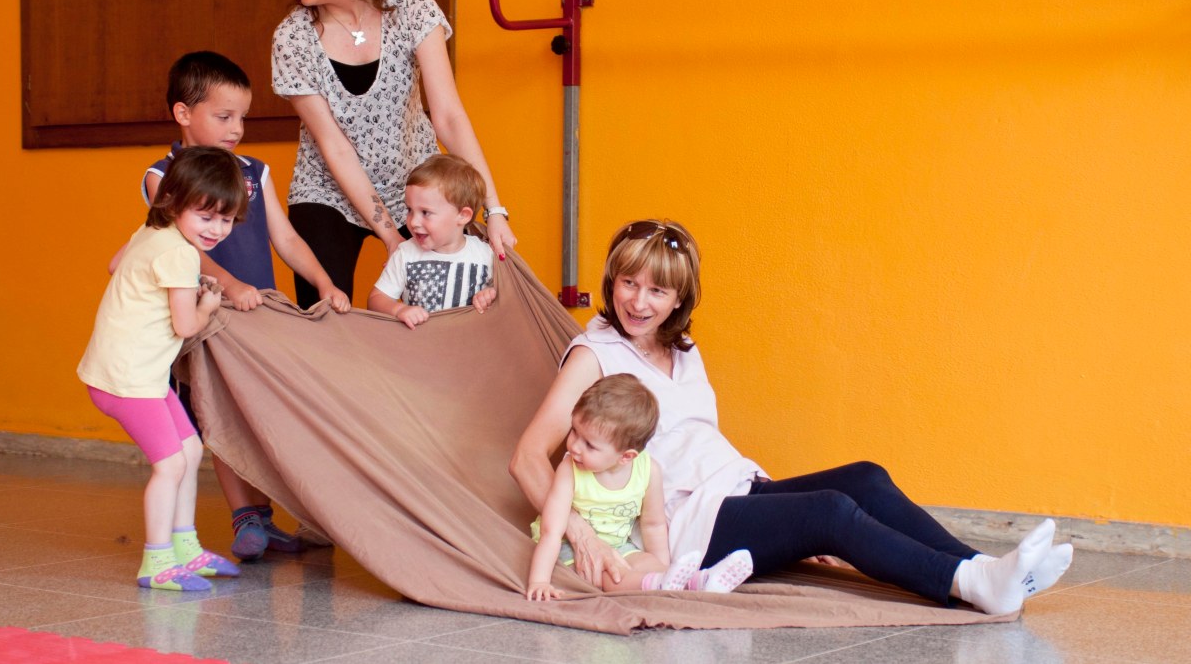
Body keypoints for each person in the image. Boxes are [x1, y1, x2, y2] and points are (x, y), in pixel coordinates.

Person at [511, 220, 1075, 614]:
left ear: (679, 299)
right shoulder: (595, 354)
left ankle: (993, 569)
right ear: (611, 280)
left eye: (657, 290)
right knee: (830, 512)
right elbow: (528, 457)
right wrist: (582, 535)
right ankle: (971, 584)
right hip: (687, 524)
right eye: (628, 283)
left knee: (865, 478)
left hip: (738, 490)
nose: (638, 301)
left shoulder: (683, 350)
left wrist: (782, 511)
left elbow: (700, 443)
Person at [143, 51, 351, 562]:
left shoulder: (254, 172)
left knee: (263, 413)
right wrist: (230, 284)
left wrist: (324, 282)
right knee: (220, 415)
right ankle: (245, 518)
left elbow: (286, 238)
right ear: (183, 113)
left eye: (242, 117)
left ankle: (268, 515)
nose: (236, 128)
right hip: (205, 317)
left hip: (259, 317)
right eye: (223, 116)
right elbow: (180, 246)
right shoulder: (163, 175)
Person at [267, 0, 516, 308]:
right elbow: (334, 146)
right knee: (326, 314)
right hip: (328, 190)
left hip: (417, 185)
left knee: (452, 304)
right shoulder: (292, 38)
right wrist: (388, 234)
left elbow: (449, 117)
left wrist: (494, 209)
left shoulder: (413, 10)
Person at [78, 146, 247, 591]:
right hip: (129, 379)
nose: (216, 229)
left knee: (189, 450)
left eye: (226, 219)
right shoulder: (181, 255)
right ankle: (157, 561)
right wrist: (207, 303)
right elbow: (186, 325)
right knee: (171, 464)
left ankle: (186, 547)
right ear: (173, 202)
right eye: (206, 216)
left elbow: (114, 265)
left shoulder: (151, 231)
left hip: (135, 373)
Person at [527, 373, 753, 600]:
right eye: (574, 431)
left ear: (626, 457)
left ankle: (698, 581)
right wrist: (539, 581)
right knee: (613, 575)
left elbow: (653, 526)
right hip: (566, 547)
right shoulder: (570, 470)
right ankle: (659, 584)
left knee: (646, 563)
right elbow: (551, 531)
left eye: (590, 445)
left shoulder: (648, 471)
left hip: (619, 545)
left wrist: (663, 568)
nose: (574, 446)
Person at [367, 154, 496, 325]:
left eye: (425, 212)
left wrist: (490, 295)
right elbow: (376, 299)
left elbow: (507, 298)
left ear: (463, 215)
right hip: (420, 340)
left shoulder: (485, 254)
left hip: (468, 339)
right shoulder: (406, 253)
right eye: (409, 210)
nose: (413, 222)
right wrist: (399, 310)